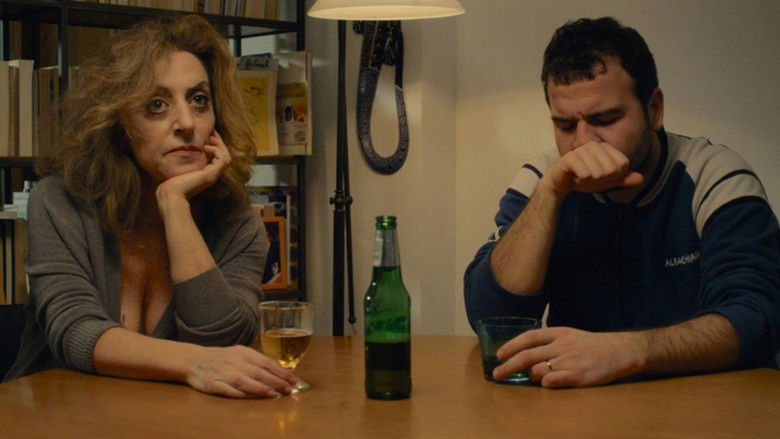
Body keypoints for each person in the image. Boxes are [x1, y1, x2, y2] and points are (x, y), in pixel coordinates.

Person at [464, 17, 780, 388]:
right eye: (565, 126)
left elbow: (757, 319)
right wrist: (549, 196)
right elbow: (490, 318)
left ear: (654, 109)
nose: (583, 143)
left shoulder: (714, 176)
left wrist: (628, 351)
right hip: (576, 404)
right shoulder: (545, 177)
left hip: (699, 400)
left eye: (605, 119)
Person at [3, 15, 298, 398]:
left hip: (170, 419)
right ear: (120, 126)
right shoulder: (60, 201)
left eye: (199, 100)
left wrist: (174, 205)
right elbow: (75, 331)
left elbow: (221, 340)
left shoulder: (237, 220)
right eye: (157, 105)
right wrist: (194, 364)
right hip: (54, 412)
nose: (186, 123)